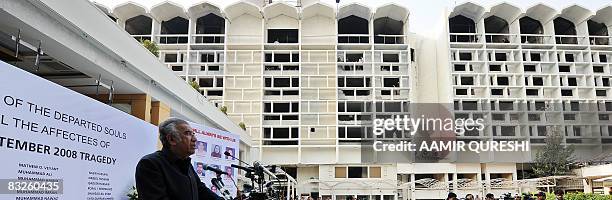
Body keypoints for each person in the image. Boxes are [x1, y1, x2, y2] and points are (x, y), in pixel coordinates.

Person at [135, 118, 221, 200]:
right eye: (188, 133)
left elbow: (200, 190)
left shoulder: (186, 164)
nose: (195, 139)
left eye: (193, 134)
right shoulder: (150, 164)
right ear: (171, 139)